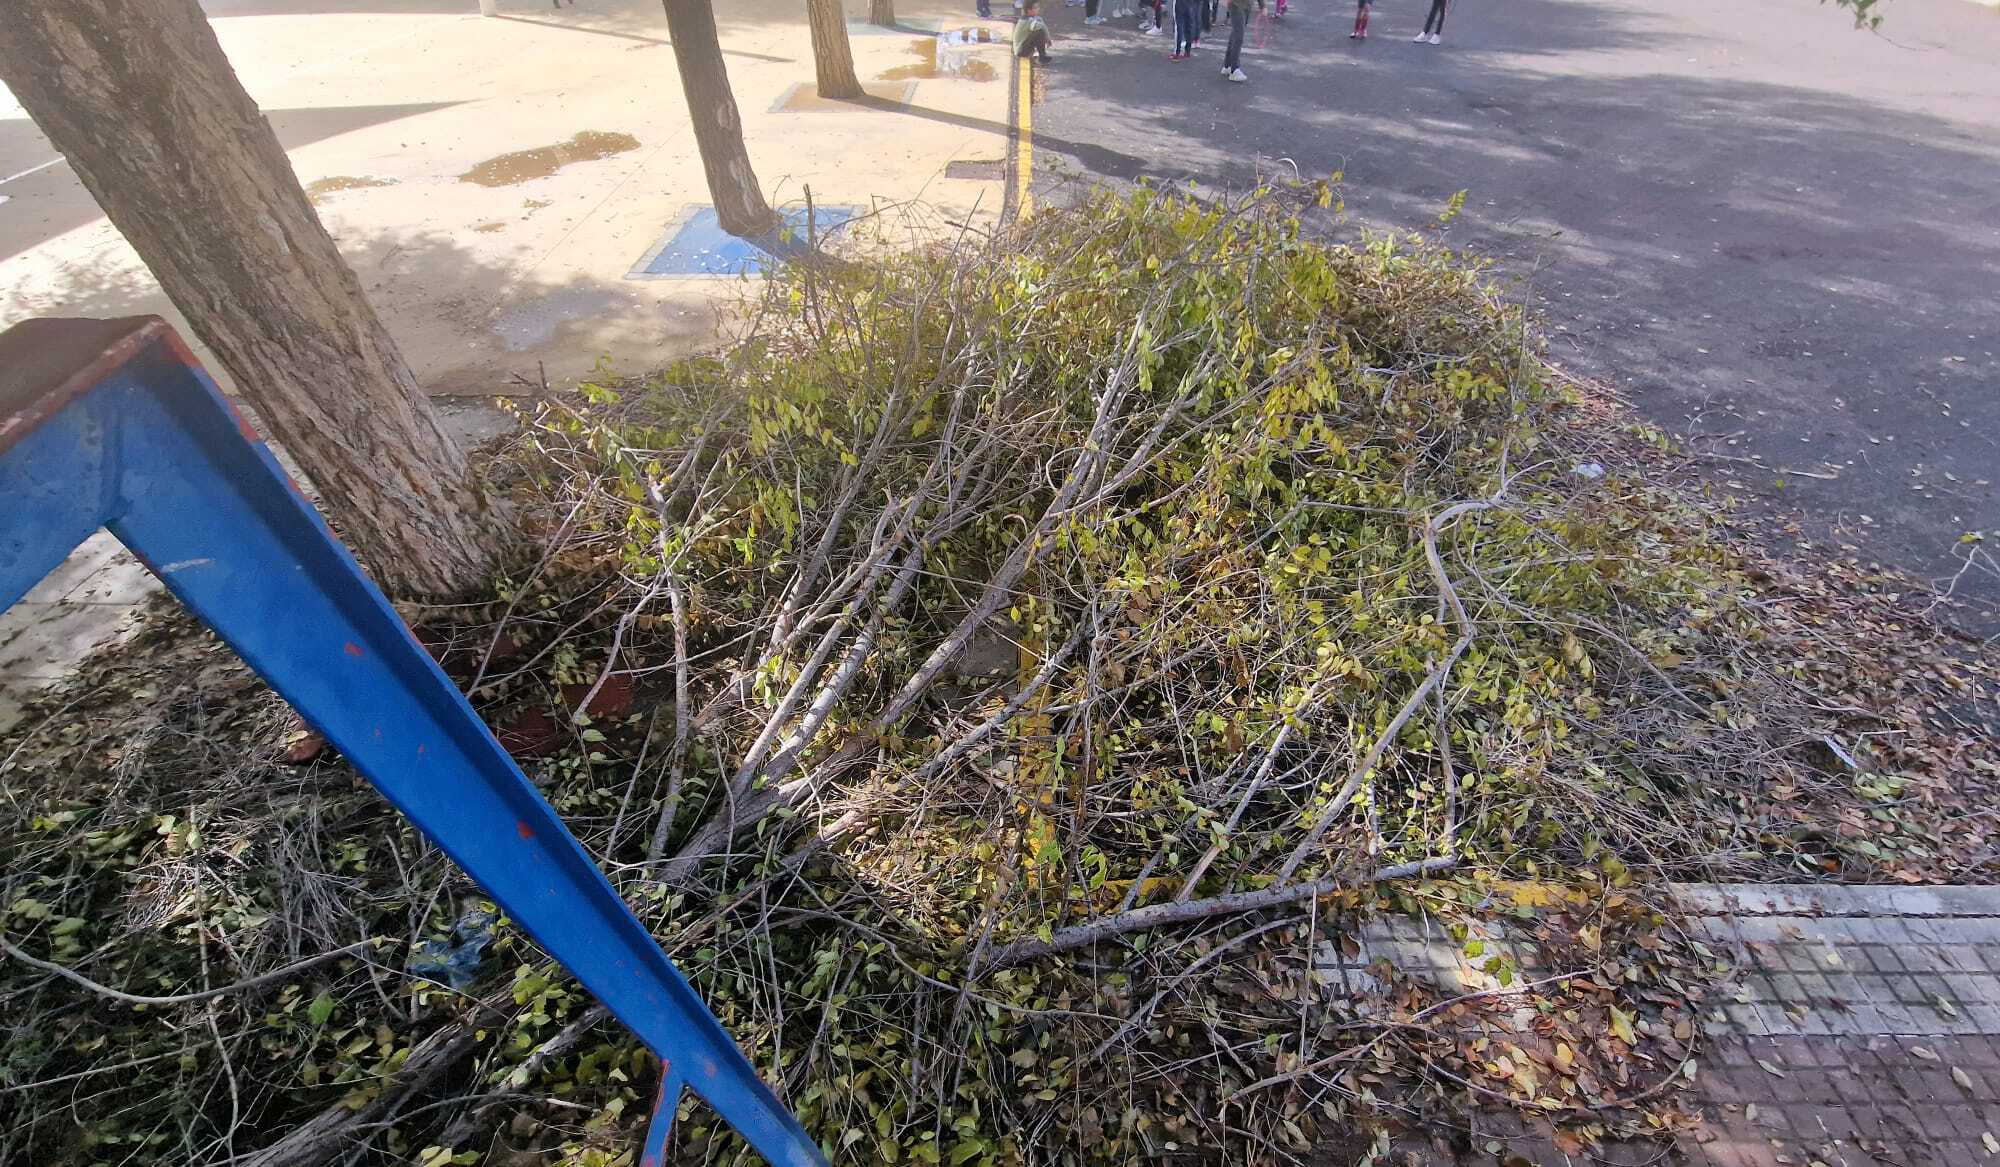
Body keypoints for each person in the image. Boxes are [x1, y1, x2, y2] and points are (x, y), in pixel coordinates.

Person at [1220, 0, 1258, 81]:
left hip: (1247, 5)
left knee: (1235, 34)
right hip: (1236, 4)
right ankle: (1234, 69)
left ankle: (1228, 65)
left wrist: (1262, 5)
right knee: (1238, 36)